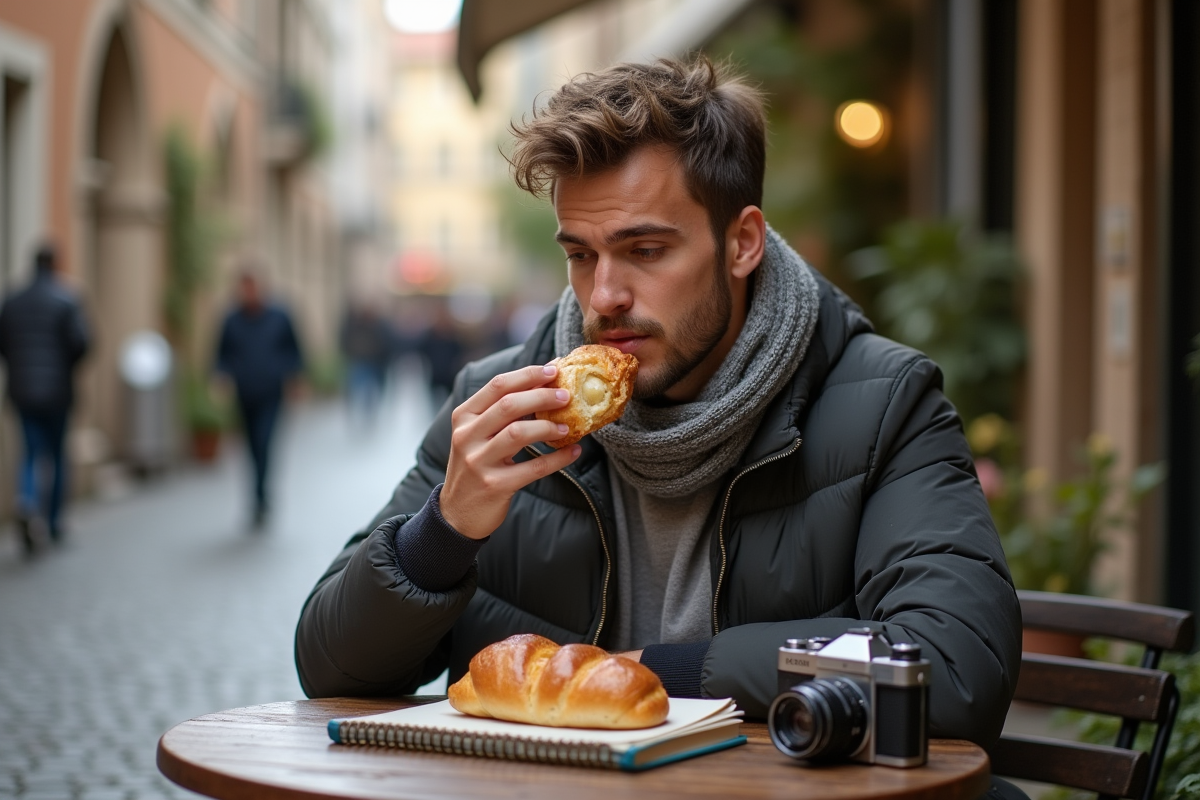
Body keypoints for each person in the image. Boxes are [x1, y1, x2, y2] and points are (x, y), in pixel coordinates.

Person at [296, 57, 1021, 763]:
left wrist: (667, 672)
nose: (603, 295)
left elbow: (955, 668)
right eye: (581, 254)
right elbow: (330, 671)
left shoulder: (882, 406)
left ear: (741, 243)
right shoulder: (501, 408)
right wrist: (443, 533)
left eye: (644, 249)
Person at [0, 244, 91, 554]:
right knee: (55, 455)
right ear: (56, 264)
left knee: (29, 451)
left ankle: (26, 500)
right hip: (57, 392)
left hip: (23, 390)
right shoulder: (67, 299)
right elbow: (82, 343)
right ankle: (52, 522)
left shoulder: (12, 301)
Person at [215, 268, 303, 528]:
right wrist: (221, 376)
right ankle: (256, 495)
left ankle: (262, 497)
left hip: (271, 392)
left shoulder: (280, 316)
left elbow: (294, 349)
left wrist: (295, 378)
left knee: (265, 442)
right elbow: (221, 352)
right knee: (251, 446)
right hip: (244, 392)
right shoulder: (232, 319)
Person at [339, 299, 395, 427]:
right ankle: (360, 410)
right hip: (359, 361)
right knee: (358, 388)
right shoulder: (354, 325)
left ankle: (368, 411)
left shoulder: (380, 325)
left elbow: (387, 342)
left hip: (374, 362)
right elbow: (345, 340)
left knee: (370, 390)